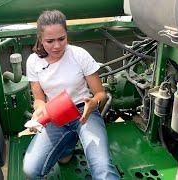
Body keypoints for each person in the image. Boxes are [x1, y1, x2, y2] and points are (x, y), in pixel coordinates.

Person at [23, 10, 120, 180]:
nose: (57, 46)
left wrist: (94, 103)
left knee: (103, 168)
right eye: (50, 41)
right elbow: (39, 98)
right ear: (40, 38)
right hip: (56, 114)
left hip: (85, 111)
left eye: (62, 39)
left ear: (67, 34)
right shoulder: (33, 61)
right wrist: (40, 110)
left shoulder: (79, 55)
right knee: (31, 170)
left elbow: (100, 93)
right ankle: (68, 145)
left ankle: (71, 141)